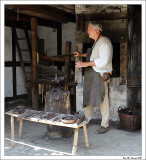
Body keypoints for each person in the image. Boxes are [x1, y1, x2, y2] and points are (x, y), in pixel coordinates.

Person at [74, 22, 113, 134]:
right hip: (94, 75)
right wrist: (81, 55)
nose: (88, 31)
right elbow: (94, 55)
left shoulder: (104, 42)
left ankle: (105, 125)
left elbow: (103, 60)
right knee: (90, 97)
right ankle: (86, 119)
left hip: (100, 76)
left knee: (103, 100)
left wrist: (85, 64)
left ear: (97, 30)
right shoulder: (97, 42)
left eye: (90, 29)